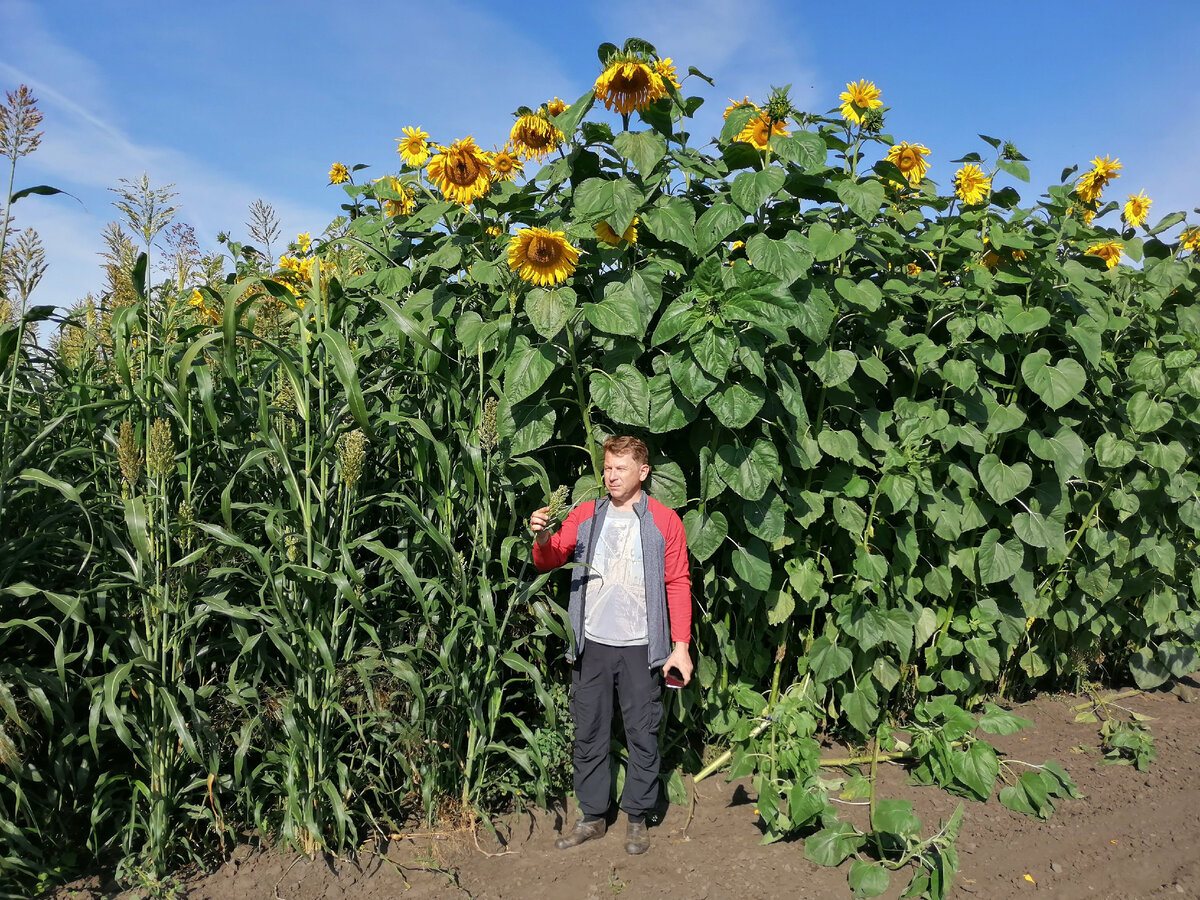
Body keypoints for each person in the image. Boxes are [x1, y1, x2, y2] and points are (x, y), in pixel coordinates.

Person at [529, 435, 692, 856]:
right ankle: (593, 816)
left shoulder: (664, 521)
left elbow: (677, 582)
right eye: (607, 467)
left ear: (643, 472)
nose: (611, 475)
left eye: (620, 468)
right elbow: (550, 559)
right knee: (588, 732)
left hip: (642, 647)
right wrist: (543, 537)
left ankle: (637, 818)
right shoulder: (585, 514)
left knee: (643, 733)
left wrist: (681, 645)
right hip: (592, 645)